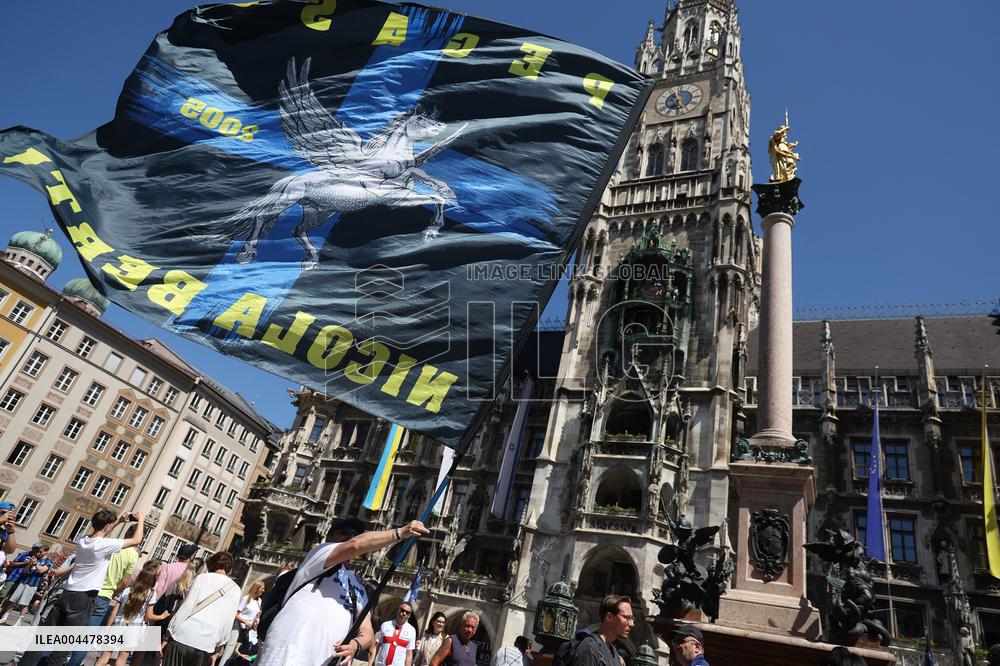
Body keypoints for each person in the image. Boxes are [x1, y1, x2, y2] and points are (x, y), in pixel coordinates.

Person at [258, 518, 429, 666]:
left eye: (356, 533)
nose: (351, 536)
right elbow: (354, 545)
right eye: (344, 532)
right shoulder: (318, 556)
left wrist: (355, 644)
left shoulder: (358, 587)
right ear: (329, 536)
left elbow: (367, 633)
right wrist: (399, 533)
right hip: (288, 654)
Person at [18, 510, 143, 666]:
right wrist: (141, 519)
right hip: (83, 598)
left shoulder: (83, 540)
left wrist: (119, 522)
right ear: (107, 526)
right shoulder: (103, 545)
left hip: (67, 593)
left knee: (43, 638)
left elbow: (102, 531)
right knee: (64, 647)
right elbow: (137, 540)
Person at [67, 524, 141, 666]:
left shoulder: (110, 544)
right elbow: (125, 582)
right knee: (86, 639)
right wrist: (113, 593)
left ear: (126, 532)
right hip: (105, 596)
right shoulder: (133, 555)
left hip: (87, 589)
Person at [162, 551, 241, 666]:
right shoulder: (236, 590)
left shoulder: (201, 579)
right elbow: (228, 622)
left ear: (212, 564)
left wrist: (167, 636)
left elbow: (186, 607)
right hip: (207, 643)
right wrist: (218, 651)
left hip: (183, 635)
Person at [96, 560, 161, 666]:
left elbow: (114, 612)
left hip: (118, 624)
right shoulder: (151, 594)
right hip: (134, 629)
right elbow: (148, 616)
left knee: (104, 656)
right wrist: (163, 616)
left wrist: (107, 627)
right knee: (121, 660)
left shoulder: (127, 590)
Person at [570, 595, 633, 666]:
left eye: (631, 618)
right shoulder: (590, 648)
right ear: (609, 617)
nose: (632, 624)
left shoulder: (615, 654)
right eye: (626, 617)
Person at [1, 543, 51, 625]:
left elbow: (42, 570)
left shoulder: (48, 561)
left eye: (41, 551)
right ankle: (4, 617)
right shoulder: (35, 558)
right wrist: (29, 564)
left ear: (46, 552)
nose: (38, 553)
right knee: (12, 600)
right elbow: (25, 571)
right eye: (38, 551)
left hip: (33, 584)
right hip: (24, 581)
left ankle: (19, 621)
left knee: (24, 603)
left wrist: (35, 564)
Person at [220, 580, 265, 664]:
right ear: (257, 588)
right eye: (262, 588)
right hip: (238, 627)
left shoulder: (259, 601)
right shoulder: (246, 598)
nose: (263, 590)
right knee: (229, 650)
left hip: (248, 631)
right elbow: (235, 614)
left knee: (238, 652)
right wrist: (245, 622)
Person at [370, 602, 417, 666]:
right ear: (398, 610)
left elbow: (409, 654)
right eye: (402, 610)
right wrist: (371, 662)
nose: (404, 613)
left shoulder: (411, 630)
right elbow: (376, 647)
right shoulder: (385, 625)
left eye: (407, 612)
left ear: (409, 615)